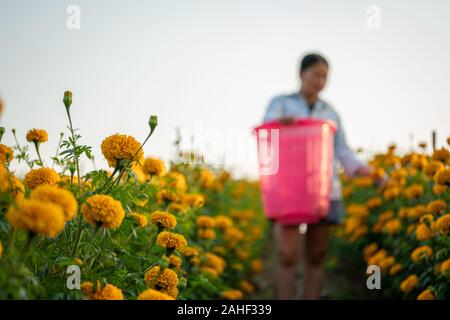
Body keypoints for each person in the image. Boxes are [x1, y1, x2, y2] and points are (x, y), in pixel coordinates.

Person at [263, 53, 376, 300]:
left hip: (324, 189)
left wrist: (366, 170)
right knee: (287, 255)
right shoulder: (280, 103)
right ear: (301, 73)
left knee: (316, 255)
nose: (320, 80)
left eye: (324, 76)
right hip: (289, 190)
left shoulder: (330, 112)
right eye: (315, 74)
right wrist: (281, 124)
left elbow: (342, 150)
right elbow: (266, 133)